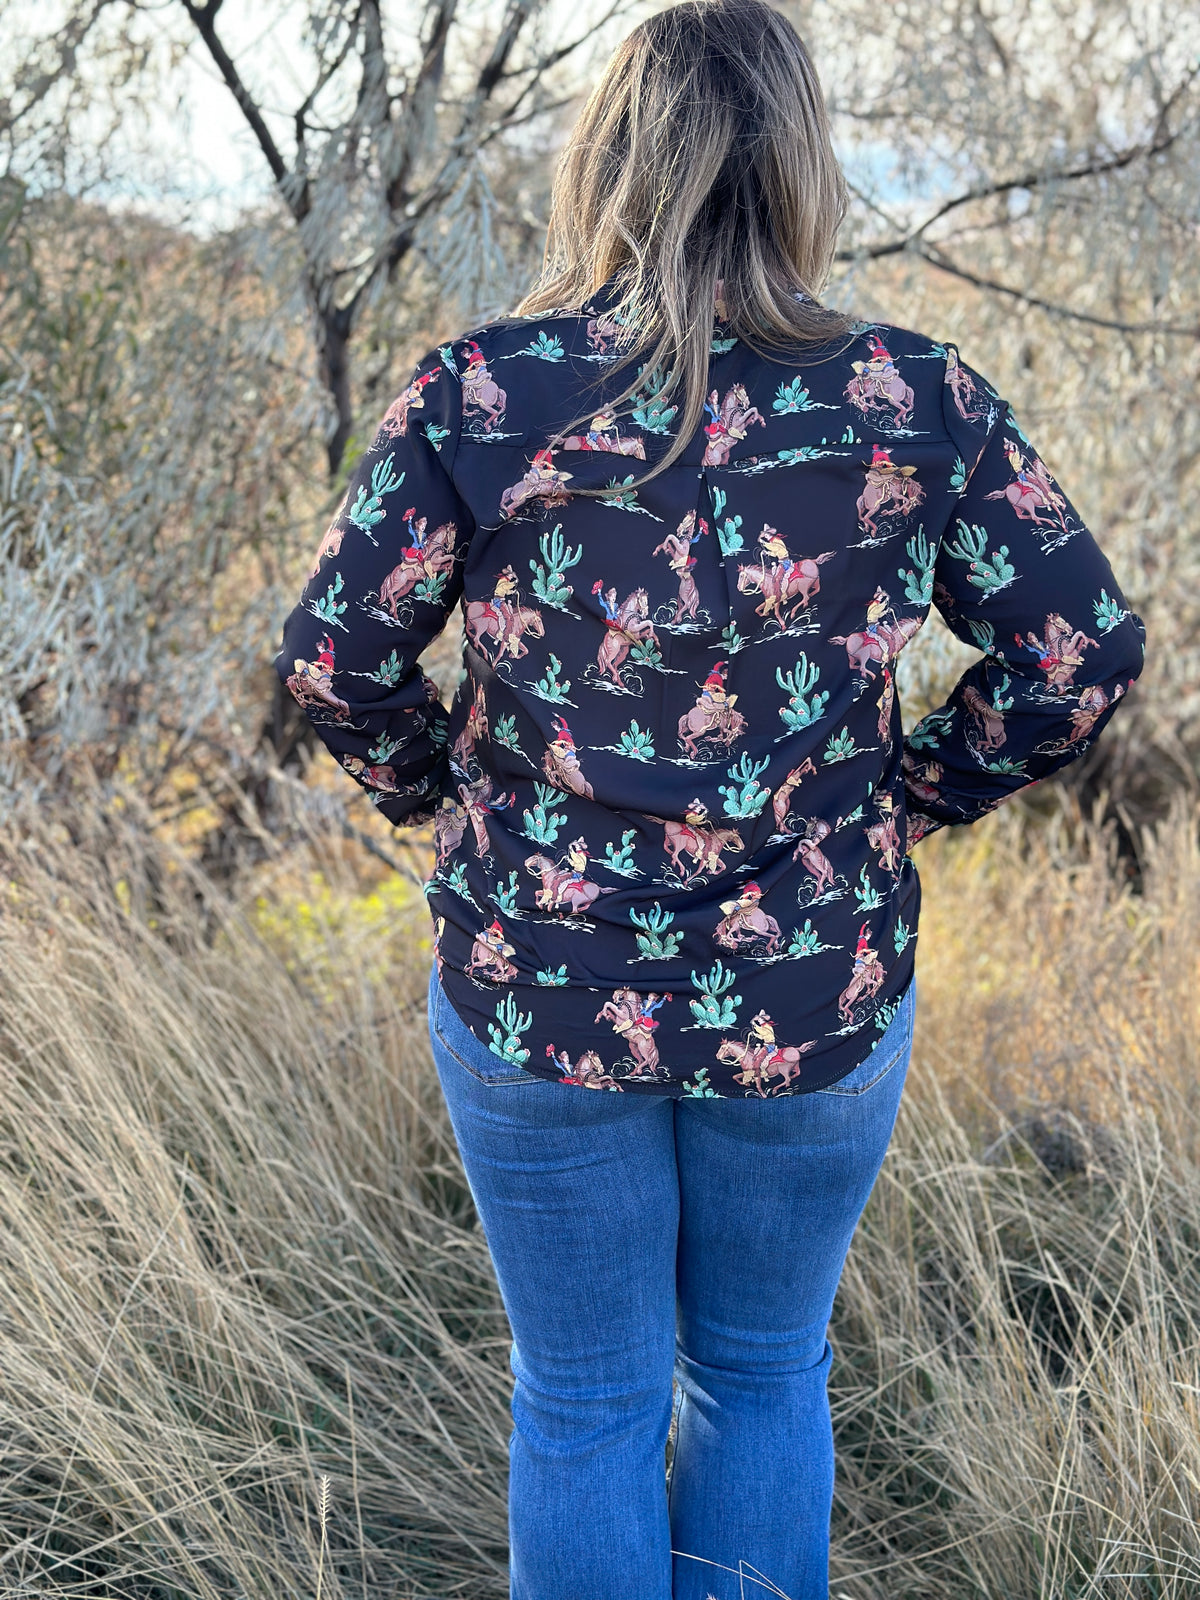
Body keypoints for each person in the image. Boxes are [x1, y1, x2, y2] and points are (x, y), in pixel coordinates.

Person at [275, 3, 1146, 1594]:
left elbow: (335, 658)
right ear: (802, 165)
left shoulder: (483, 395)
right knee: (759, 1376)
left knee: (588, 1401)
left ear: (604, 160)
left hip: (539, 982)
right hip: (812, 984)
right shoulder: (915, 402)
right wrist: (910, 797)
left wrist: (443, 789)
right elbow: (1080, 650)